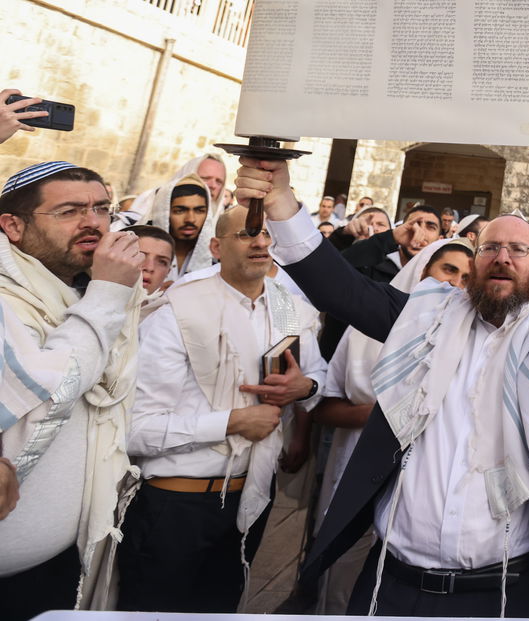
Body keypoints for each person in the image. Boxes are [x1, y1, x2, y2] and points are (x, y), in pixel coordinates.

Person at [232, 156, 529, 616]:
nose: (503, 258)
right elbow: (338, 287)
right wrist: (282, 201)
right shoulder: (422, 320)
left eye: (519, 250)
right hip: (394, 586)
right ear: (475, 261)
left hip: (505, 591)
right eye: (491, 248)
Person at [118, 206, 326, 613]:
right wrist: (232, 422)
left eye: (266, 234)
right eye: (247, 234)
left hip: (249, 502)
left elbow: (318, 376)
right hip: (175, 506)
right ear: (216, 246)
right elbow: (135, 429)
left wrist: (304, 387)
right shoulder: (181, 308)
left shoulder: (287, 308)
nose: (261, 242)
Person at [0, 162, 143, 615]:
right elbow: (49, 394)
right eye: (69, 211)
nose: (93, 222)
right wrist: (105, 295)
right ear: (13, 225)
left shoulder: (81, 293)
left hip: (58, 563)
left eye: (102, 208)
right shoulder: (8, 300)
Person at [311, 239, 472, 615]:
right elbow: (324, 406)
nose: (456, 284)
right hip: (356, 468)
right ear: (423, 272)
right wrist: (377, 415)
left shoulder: (465, 338)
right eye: (449, 270)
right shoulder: (366, 329)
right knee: (342, 580)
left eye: (467, 277)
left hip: (418, 493)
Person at [129, 225, 175, 317]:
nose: (149, 268)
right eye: (139, 255)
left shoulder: (169, 317)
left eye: (162, 262)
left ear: (168, 272)